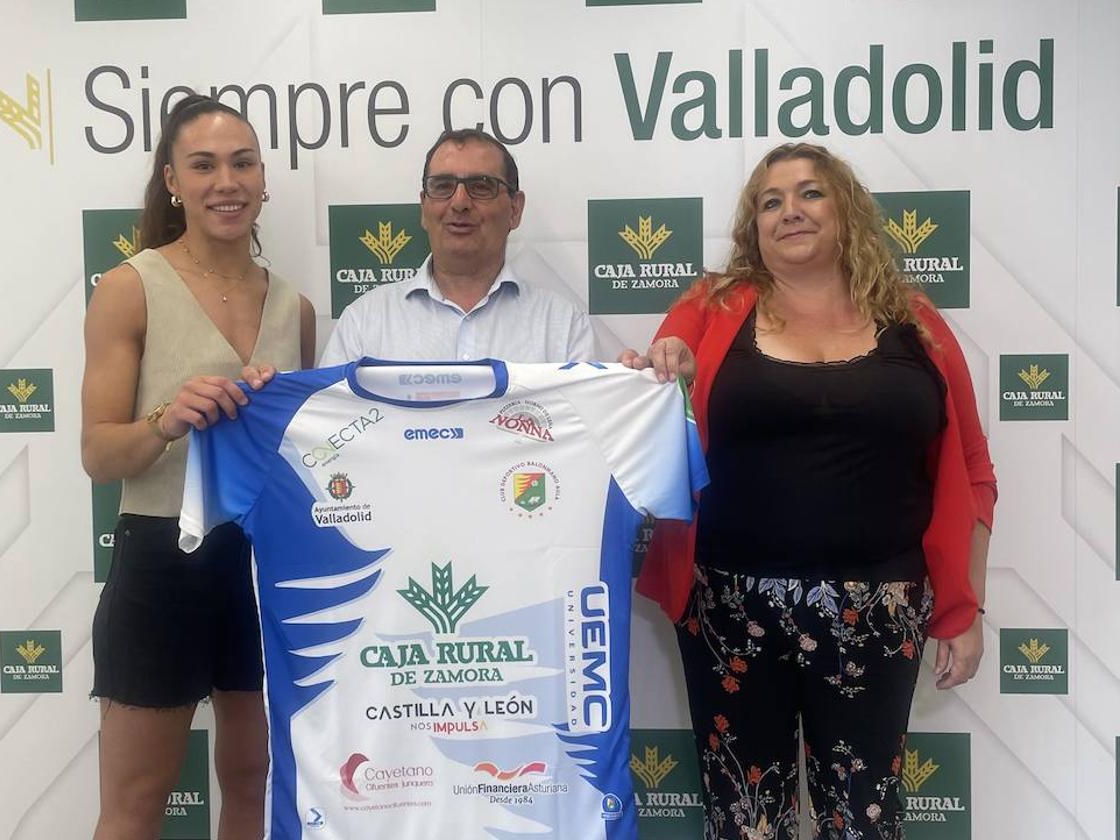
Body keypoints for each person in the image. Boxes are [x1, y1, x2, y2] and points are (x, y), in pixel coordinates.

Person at [622, 143, 996, 839]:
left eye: (810, 194)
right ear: (753, 228)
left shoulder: (917, 323)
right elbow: (661, 372)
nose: (789, 210)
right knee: (745, 822)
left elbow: (972, 467)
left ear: (846, 211)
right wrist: (661, 368)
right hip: (730, 607)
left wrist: (966, 606)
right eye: (771, 201)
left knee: (863, 823)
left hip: (879, 611)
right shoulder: (710, 307)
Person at [81, 94, 315, 840]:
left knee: (254, 782)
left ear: (264, 178)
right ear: (172, 180)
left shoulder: (297, 308)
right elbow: (96, 453)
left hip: (262, 563)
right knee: (137, 800)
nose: (227, 180)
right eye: (205, 165)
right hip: (162, 559)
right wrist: (164, 420)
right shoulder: (129, 287)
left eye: (243, 162)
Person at [320, 128, 594, 364]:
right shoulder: (363, 324)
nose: (460, 202)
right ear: (423, 207)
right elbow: (331, 423)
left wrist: (632, 386)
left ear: (515, 209)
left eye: (481, 186)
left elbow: (590, 421)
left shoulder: (564, 328)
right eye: (442, 186)